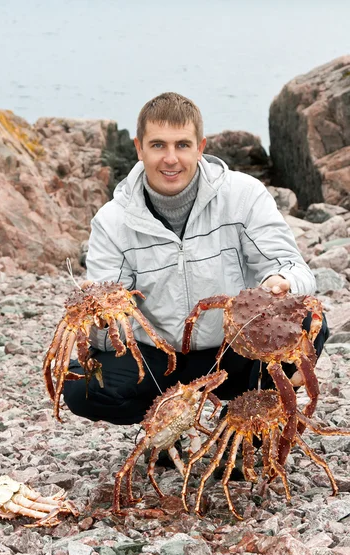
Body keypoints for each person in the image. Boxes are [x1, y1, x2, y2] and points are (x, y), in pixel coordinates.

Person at [63, 92, 328, 427]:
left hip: (235, 350)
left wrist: (280, 282)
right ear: (139, 148)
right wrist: (98, 317)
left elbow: (292, 266)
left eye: (182, 145)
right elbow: (109, 332)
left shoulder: (243, 195)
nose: (170, 159)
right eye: (158, 145)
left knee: (306, 325)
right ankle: (162, 422)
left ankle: (250, 422)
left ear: (200, 147)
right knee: (82, 388)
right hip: (158, 359)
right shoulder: (112, 221)